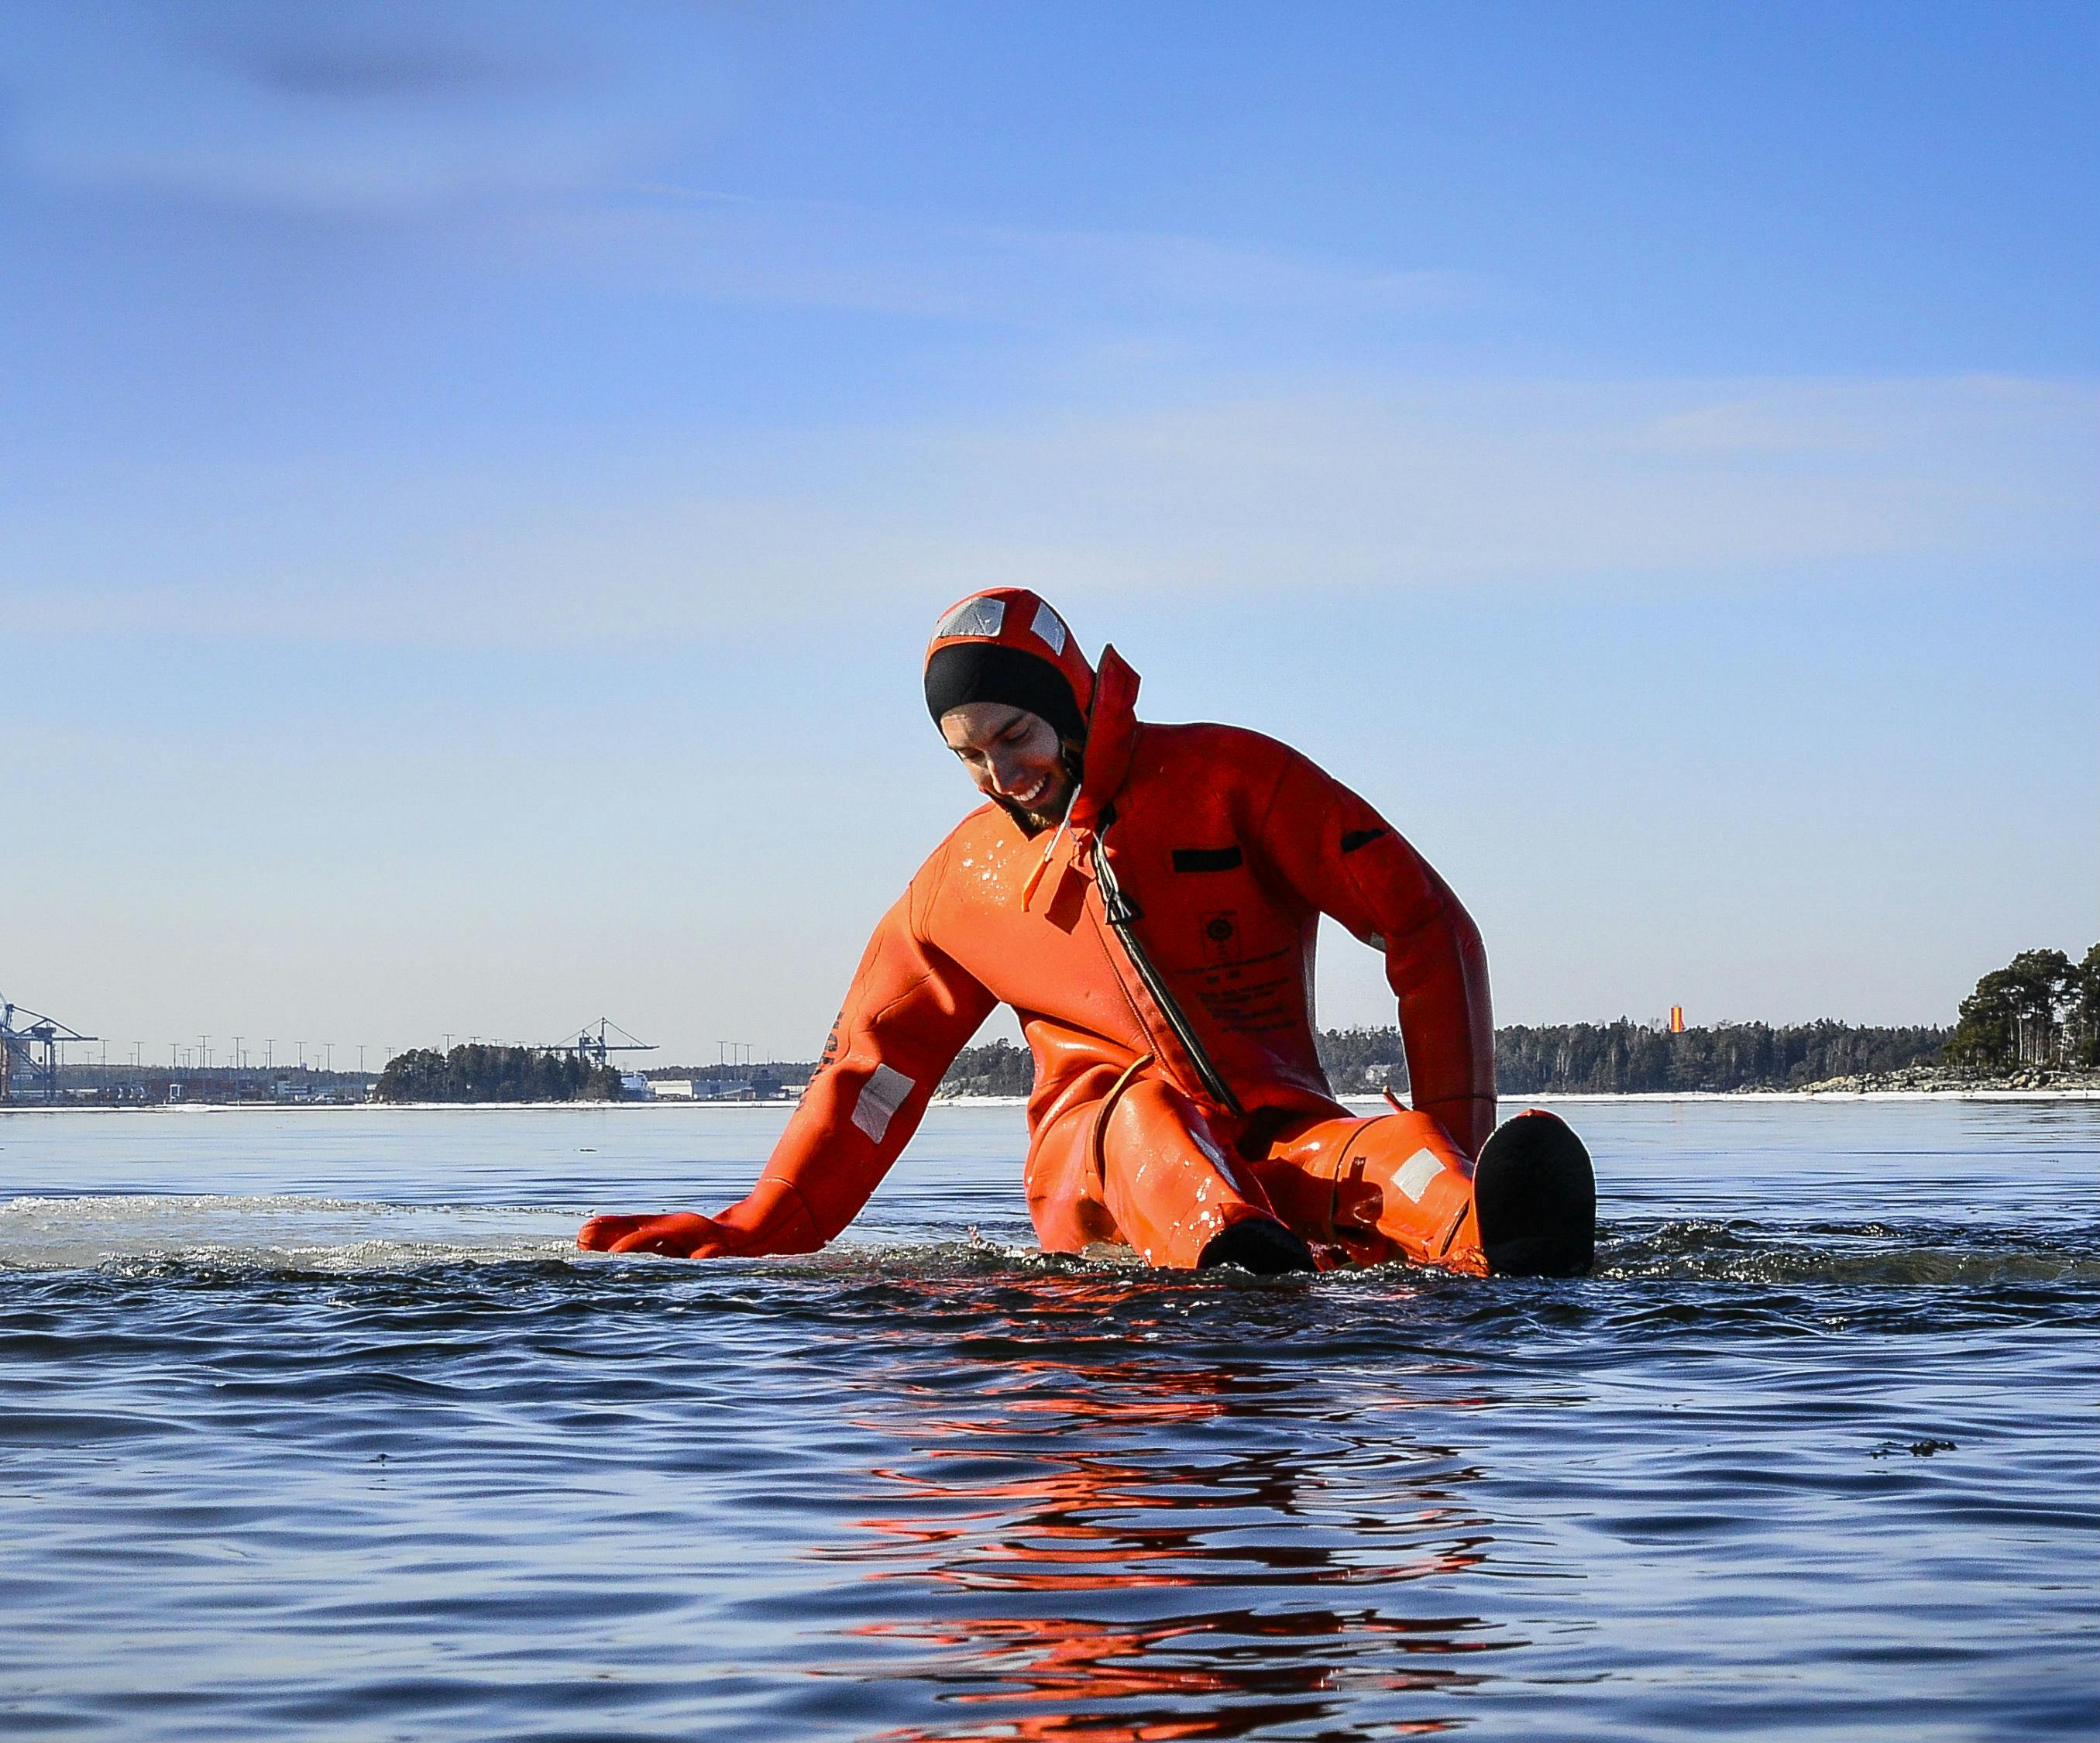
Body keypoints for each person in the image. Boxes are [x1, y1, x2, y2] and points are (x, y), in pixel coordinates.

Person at [579, 588, 1593, 1276]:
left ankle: (1492, 1237)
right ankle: (1235, 1257)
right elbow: (868, 1082)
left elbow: (1429, 926)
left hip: (1277, 1128)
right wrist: (758, 1228)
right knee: (1150, 1117)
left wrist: (1457, 1132)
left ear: (1066, 703)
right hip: (1103, 1158)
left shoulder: (1227, 782)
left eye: (1014, 738)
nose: (1000, 776)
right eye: (968, 757)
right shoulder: (958, 888)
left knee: (1379, 1154)